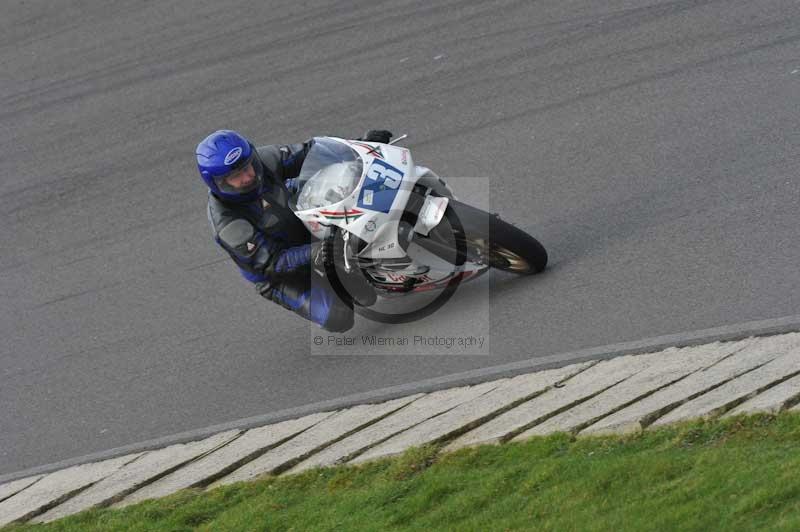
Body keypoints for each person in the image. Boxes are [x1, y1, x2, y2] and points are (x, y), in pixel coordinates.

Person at [196, 129, 391, 332]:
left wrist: (361, 146)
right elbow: (273, 263)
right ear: (217, 183)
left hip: (303, 224)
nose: (247, 177)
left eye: (247, 167)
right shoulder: (228, 224)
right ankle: (331, 282)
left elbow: (311, 152)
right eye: (235, 176)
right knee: (339, 318)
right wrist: (317, 252)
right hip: (279, 274)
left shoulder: (264, 160)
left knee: (367, 292)